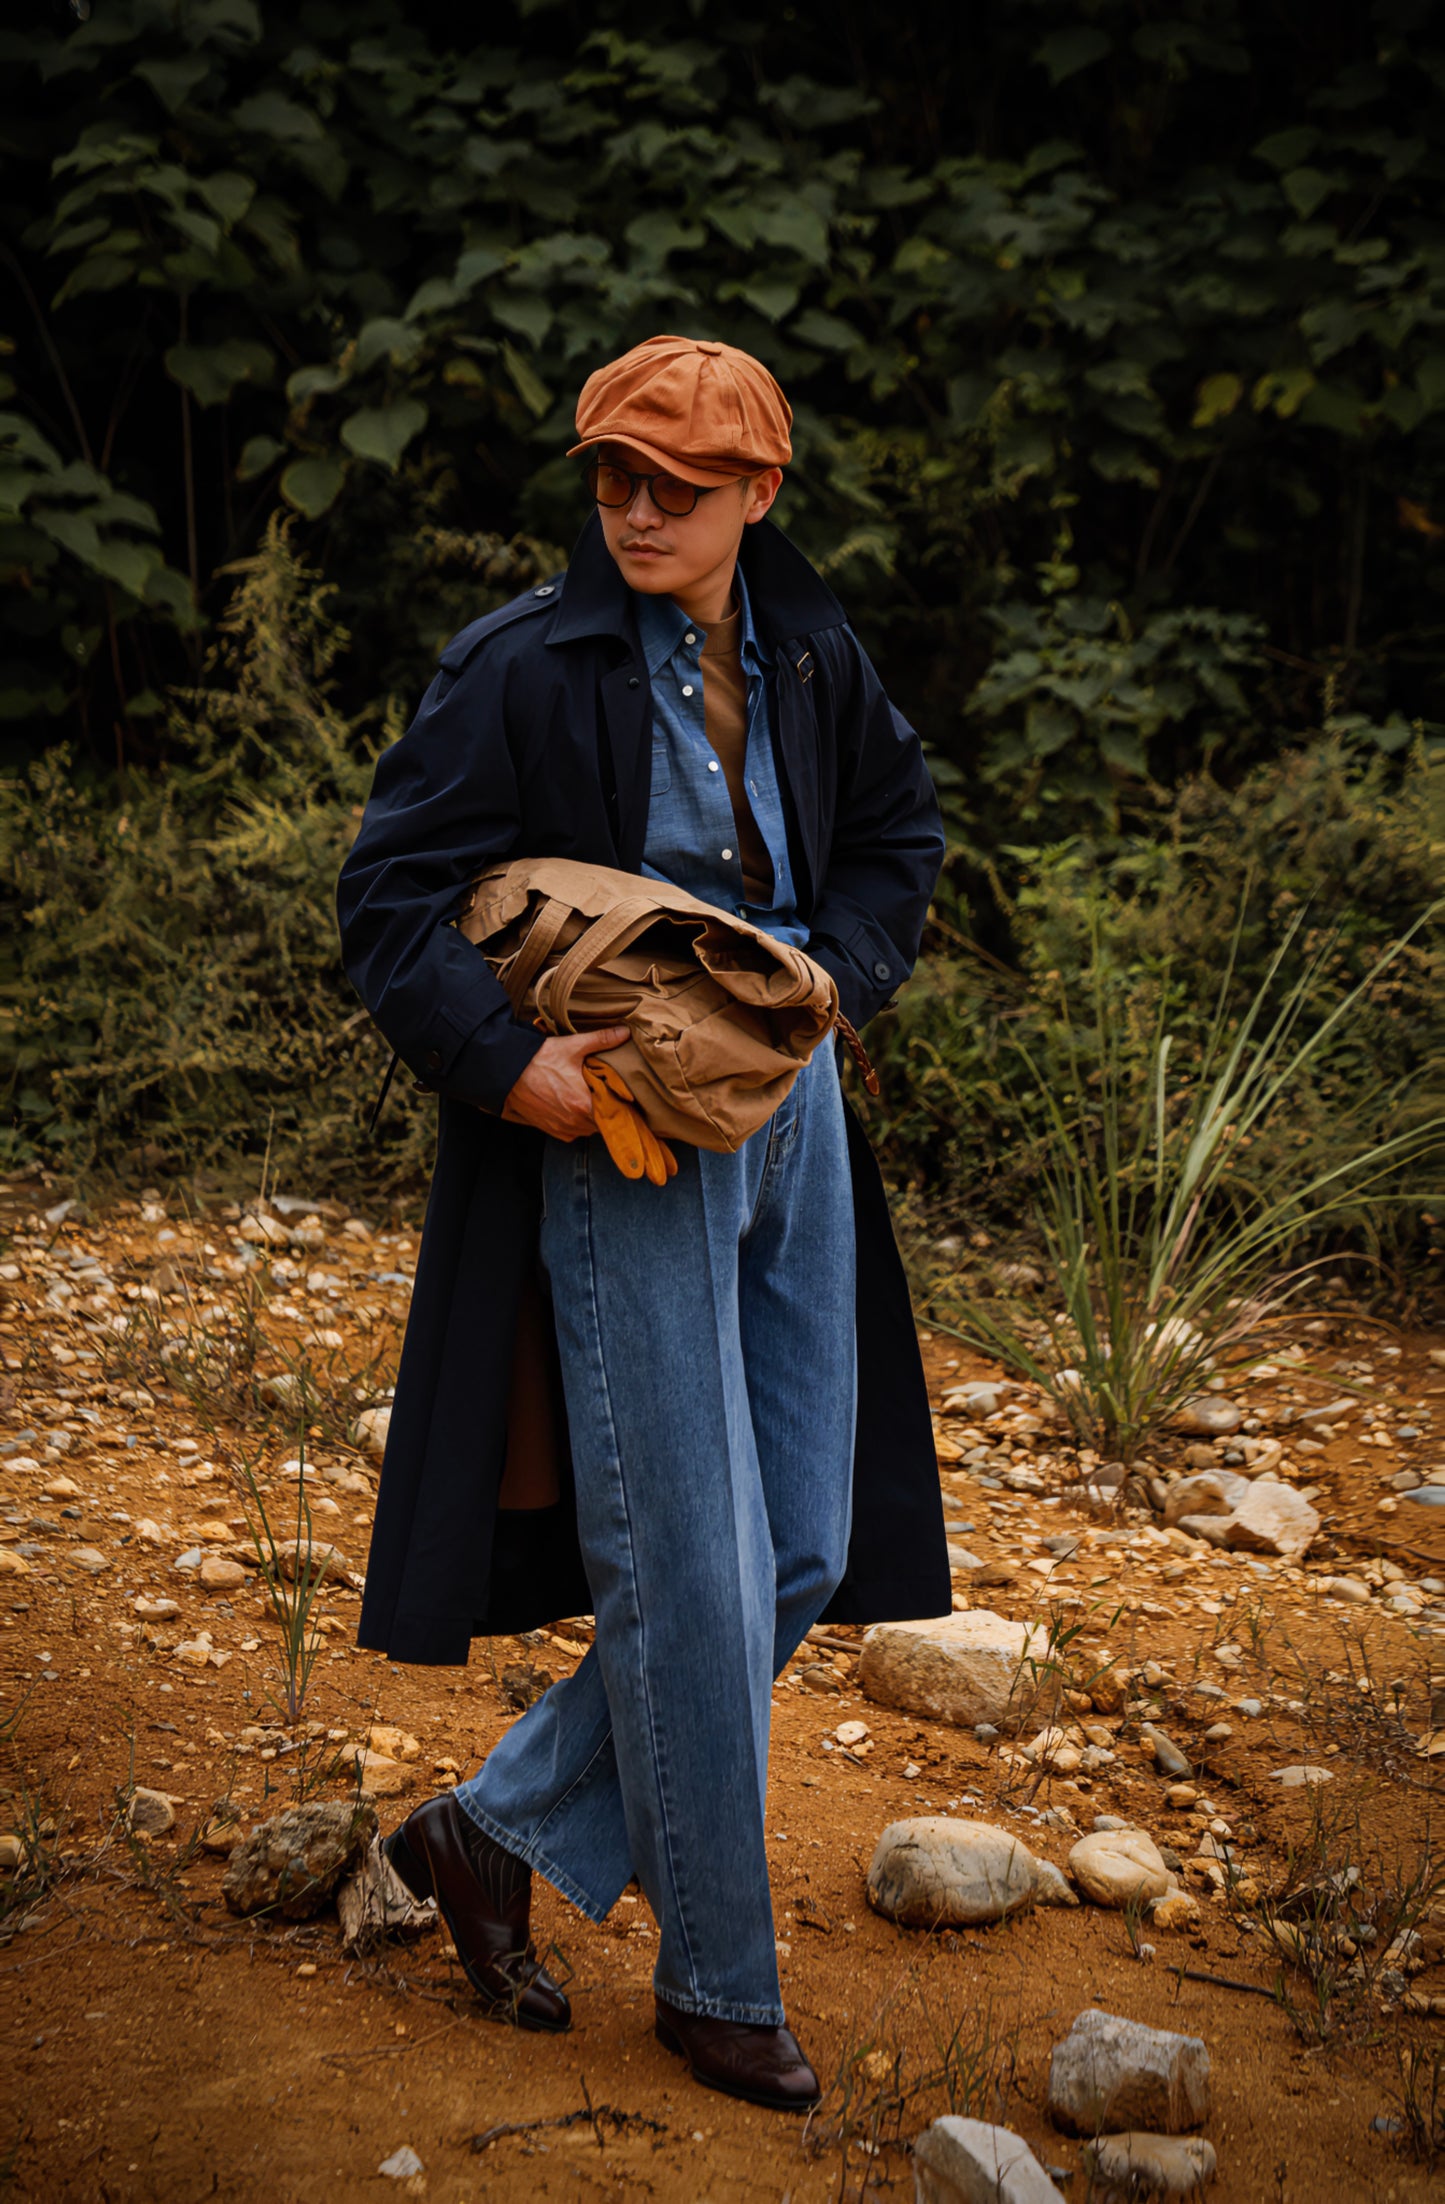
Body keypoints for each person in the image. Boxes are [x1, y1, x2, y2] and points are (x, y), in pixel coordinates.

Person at [336, 334, 949, 2111]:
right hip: (613, 1122)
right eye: (613, 475)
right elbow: (386, 898)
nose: (637, 510)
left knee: (802, 1543)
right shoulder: (519, 664)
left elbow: (897, 834)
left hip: (793, 1106)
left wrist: (839, 972)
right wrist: (500, 1069)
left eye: (678, 486)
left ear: (760, 493)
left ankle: (492, 1825)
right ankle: (712, 1986)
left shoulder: (814, 649)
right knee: (683, 1552)